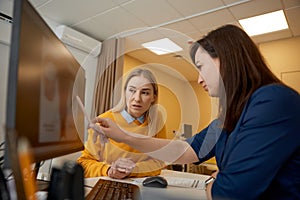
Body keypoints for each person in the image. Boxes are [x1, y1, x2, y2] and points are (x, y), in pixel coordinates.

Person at [91, 24, 300, 199]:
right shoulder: (229, 116)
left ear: (227, 59)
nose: (199, 79)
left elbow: (228, 194)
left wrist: (215, 183)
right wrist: (122, 136)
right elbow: (184, 150)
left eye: (201, 66)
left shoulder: (272, 101)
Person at [77, 68, 167, 179]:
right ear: (124, 92)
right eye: (132, 90)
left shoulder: (157, 121)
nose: (137, 98)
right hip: (107, 183)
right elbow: (83, 163)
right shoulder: (104, 120)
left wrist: (132, 169)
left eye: (145, 92)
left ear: (154, 97)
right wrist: (109, 170)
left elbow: (158, 162)